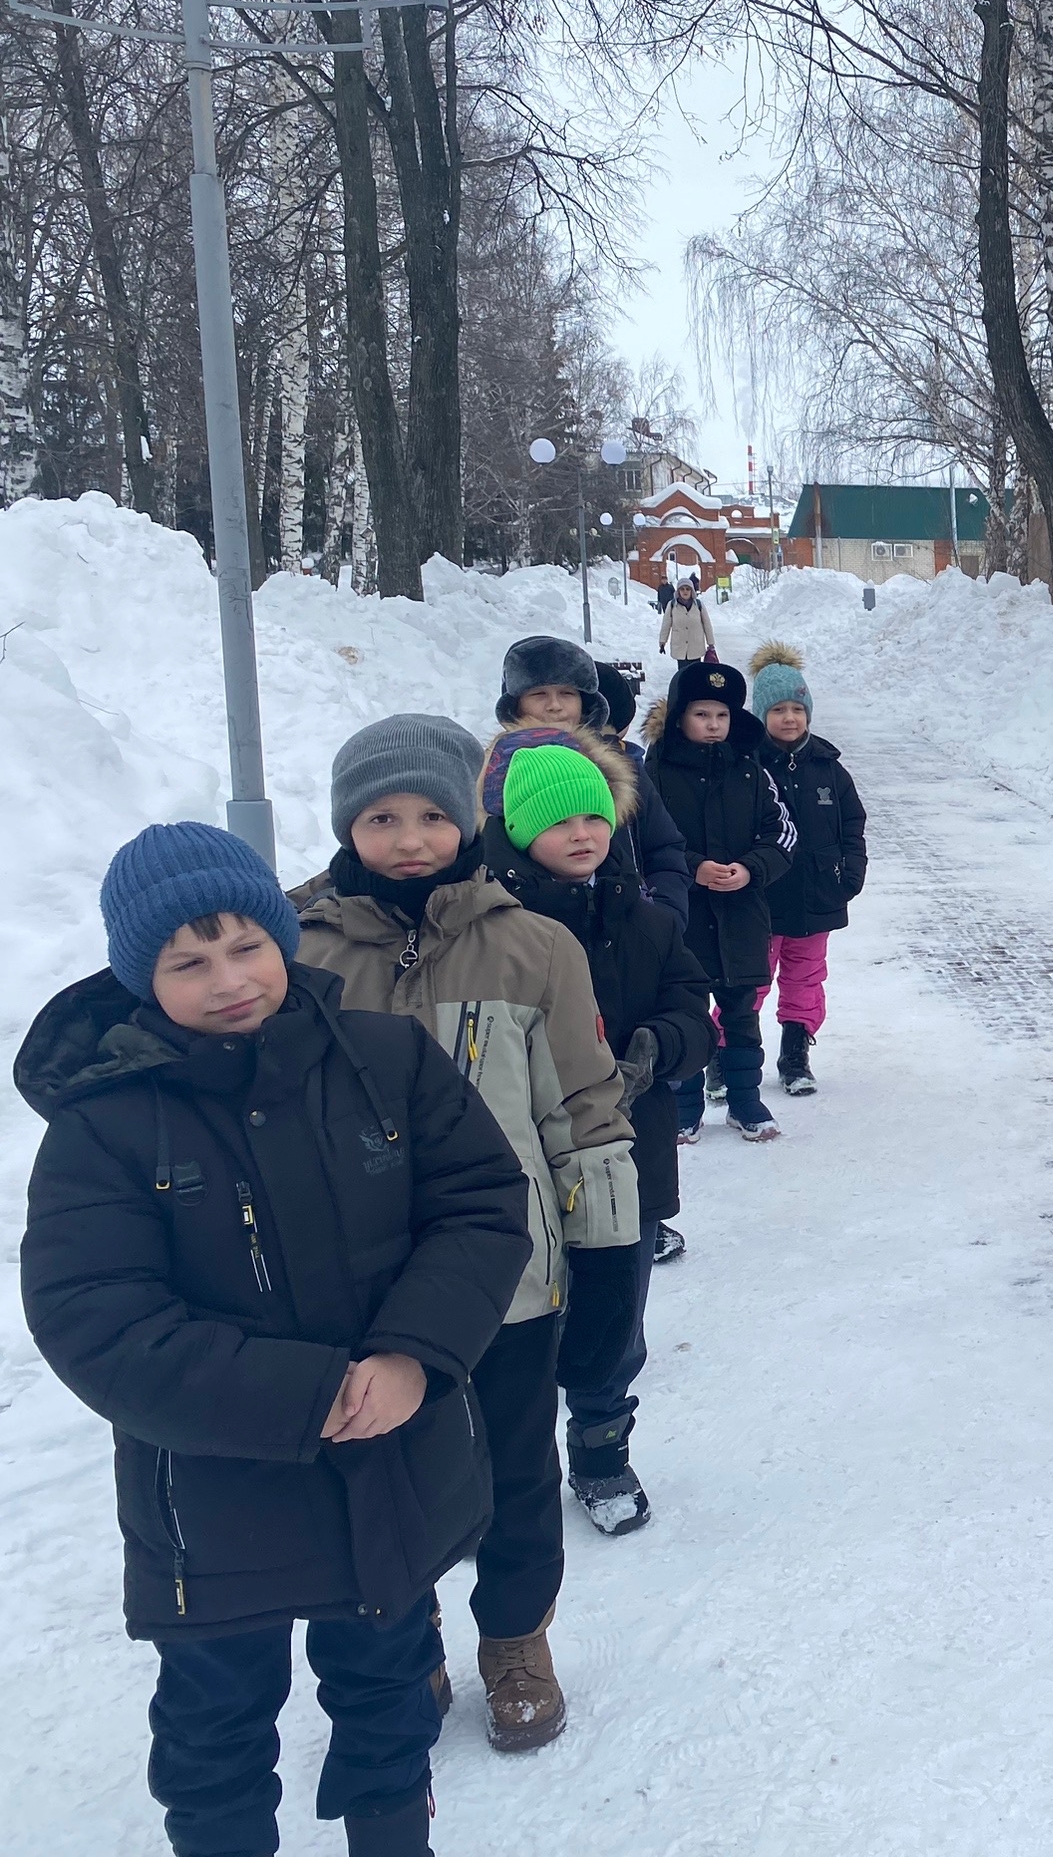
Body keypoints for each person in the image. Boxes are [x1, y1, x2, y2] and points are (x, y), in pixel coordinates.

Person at [18, 824, 530, 1857]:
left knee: (389, 1696)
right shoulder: (104, 1124)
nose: (228, 981)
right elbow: (96, 1317)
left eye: (246, 945)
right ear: (141, 976)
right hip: (215, 1498)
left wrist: (413, 1354)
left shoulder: (388, 1060)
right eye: (187, 963)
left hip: (389, 1464)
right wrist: (309, 1395)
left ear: (281, 937)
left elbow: (479, 1208)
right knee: (214, 1731)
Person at [294, 714, 641, 1753]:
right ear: (346, 826)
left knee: (516, 1474)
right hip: (360, 1287)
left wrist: (609, 1263)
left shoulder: (535, 946)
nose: (409, 839)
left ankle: (516, 1640)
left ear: (469, 821)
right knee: (379, 1476)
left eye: (431, 815)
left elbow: (584, 1109)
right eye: (381, 818)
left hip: (509, 1281)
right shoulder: (298, 952)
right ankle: (414, 1638)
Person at [478, 728, 715, 1537]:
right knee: (506, 1329)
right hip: (510, 1165)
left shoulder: (645, 921)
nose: (583, 834)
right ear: (516, 829)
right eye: (559, 820)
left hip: (623, 1160)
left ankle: (601, 1449)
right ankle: (501, 1470)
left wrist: (659, 1046)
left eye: (595, 817)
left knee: (613, 1323)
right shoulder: (486, 931)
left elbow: (693, 1011)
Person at [644, 660, 798, 1141]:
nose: (713, 725)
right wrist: (692, 868)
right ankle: (686, 1106)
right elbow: (642, 841)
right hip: (682, 918)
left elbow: (782, 834)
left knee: (742, 1014)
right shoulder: (655, 772)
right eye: (701, 715)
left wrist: (750, 868)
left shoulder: (751, 769)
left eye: (722, 716)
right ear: (679, 718)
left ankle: (746, 1101)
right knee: (686, 1013)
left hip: (741, 916)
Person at [496, 634, 690, 923]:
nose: (554, 705)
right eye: (539, 694)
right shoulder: (494, 775)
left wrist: (663, 918)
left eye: (567, 693)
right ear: (516, 705)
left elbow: (664, 849)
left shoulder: (622, 769)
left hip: (626, 932)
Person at [748, 642, 868, 1096]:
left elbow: (853, 823)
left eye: (797, 709)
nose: (789, 718)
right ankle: (728, 1053)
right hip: (761, 899)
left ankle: (795, 1055)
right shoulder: (748, 766)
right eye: (778, 709)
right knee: (750, 979)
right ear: (761, 714)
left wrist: (849, 873)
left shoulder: (829, 768)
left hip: (817, 894)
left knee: (806, 977)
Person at [659, 577, 714, 663]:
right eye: (682, 589)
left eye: (688, 589)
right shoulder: (672, 605)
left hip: (696, 647)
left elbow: (707, 624)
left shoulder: (698, 605)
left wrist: (711, 643)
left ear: (692, 591)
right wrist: (662, 642)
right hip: (680, 647)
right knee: (683, 671)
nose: (685, 591)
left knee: (695, 671)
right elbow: (666, 625)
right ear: (678, 591)